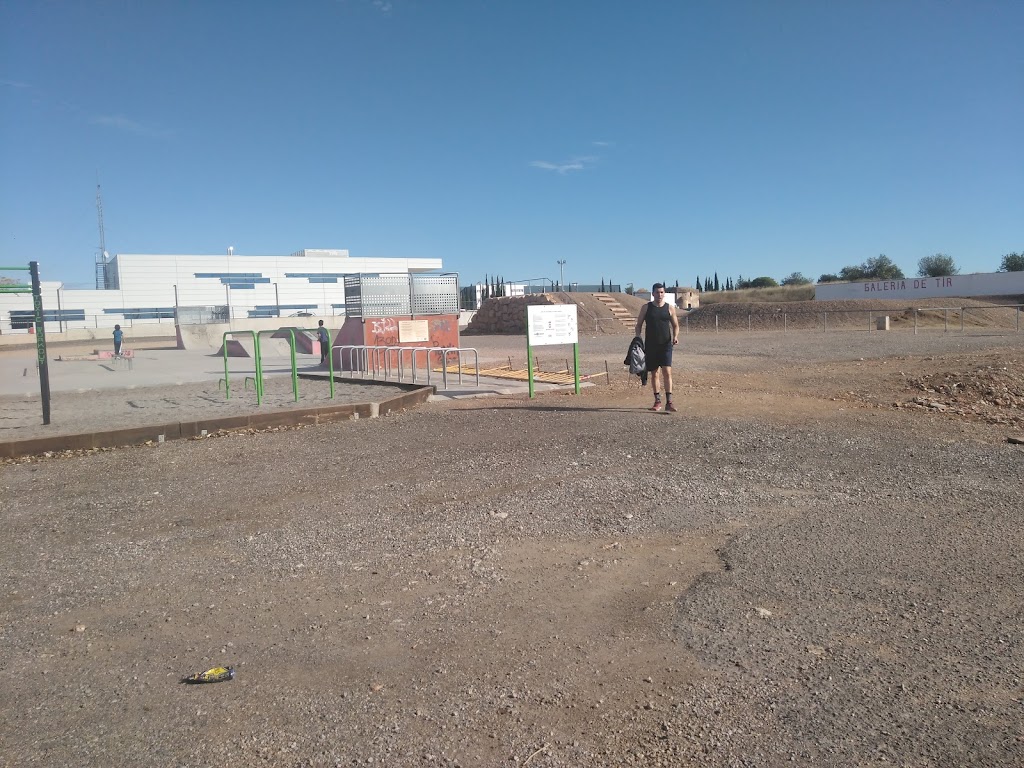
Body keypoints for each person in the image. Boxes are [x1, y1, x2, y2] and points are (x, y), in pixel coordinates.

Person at [633, 282, 679, 412]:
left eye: (662, 292)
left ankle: (669, 402)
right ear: (652, 294)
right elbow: (638, 325)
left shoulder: (670, 308)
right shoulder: (646, 308)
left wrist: (675, 336)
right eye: (657, 292)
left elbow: (676, 325)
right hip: (651, 346)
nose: (660, 294)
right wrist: (638, 338)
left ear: (664, 293)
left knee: (667, 372)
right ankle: (657, 401)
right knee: (654, 374)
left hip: (666, 345)